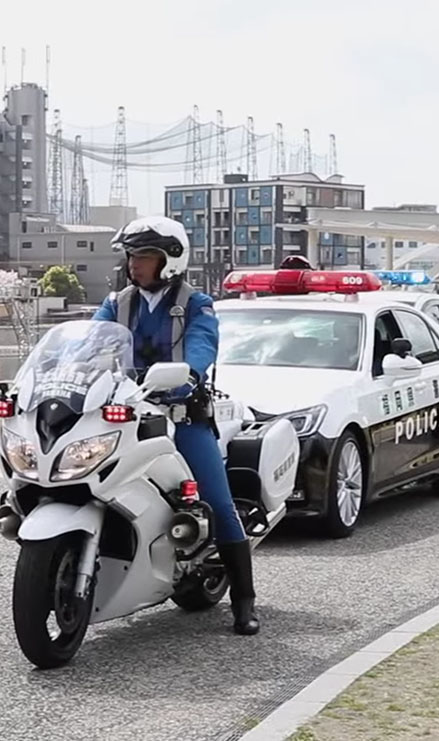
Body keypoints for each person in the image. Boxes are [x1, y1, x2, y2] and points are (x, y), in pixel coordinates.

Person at [92, 215, 260, 635]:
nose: (135, 265)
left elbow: (203, 344)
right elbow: (91, 344)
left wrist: (189, 375)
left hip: (181, 414)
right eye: (132, 256)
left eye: (145, 256)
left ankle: (244, 601)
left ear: (168, 260)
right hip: (129, 414)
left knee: (217, 502)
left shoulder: (196, 303)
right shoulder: (117, 303)